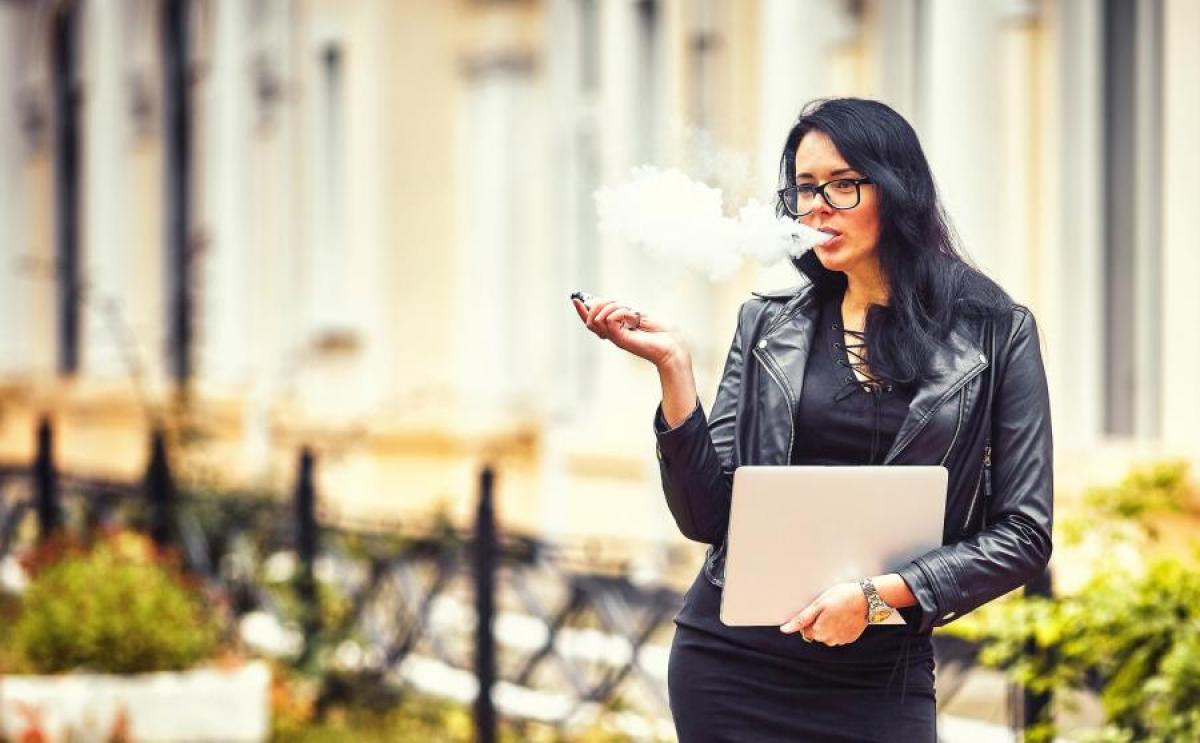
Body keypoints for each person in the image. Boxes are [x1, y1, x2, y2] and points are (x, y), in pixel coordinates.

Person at [571, 97, 1053, 742]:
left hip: (879, 676)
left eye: (842, 185)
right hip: (733, 664)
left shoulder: (996, 332)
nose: (817, 205)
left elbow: (1023, 534)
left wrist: (879, 597)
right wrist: (674, 371)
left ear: (898, 191)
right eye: (804, 188)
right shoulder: (768, 323)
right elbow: (706, 519)